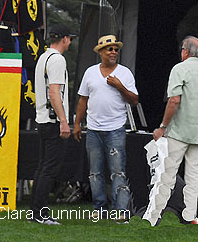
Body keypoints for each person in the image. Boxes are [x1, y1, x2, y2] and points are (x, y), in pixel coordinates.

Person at [143, 36, 198, 225]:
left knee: (166, 173)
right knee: (195, 175)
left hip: (179, 130)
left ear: (185, 51)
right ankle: (190, 216)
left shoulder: (179, 68)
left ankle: (153, 215)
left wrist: (162, 127)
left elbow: (174, 100)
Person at [73, 34, 139, 218]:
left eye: (116, 49)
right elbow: (82, 100)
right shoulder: (90, 72)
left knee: (118, 170)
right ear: (101, 52)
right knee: (95, 172)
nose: (114, 52)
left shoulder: (124, 73)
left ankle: (121, 210)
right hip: (93, 129)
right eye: (110, 49)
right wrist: (77, 124)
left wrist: (120, 86)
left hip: (116, 129)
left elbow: (135, 100)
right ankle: (99, 208)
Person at [30, 23, 75, 225]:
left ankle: (36, 211)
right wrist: (64, 121)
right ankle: (41, 214)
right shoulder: (58, 60)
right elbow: (54, 92)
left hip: (42, 118)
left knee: (42, 167)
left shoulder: (43, 57)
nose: (70, 42)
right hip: (52, 120)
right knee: (49, 168)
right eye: (70, 38)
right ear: (64, 39)